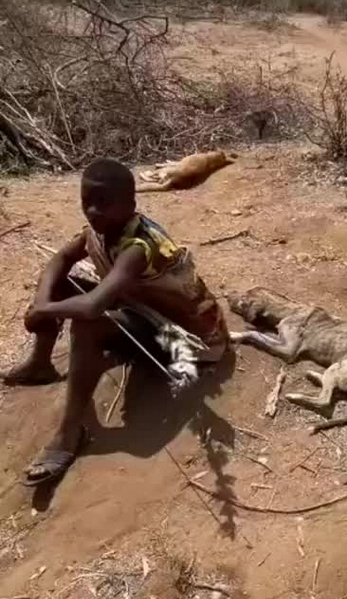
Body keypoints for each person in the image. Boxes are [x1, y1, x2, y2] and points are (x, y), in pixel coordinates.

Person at [0, 158, 229, 485]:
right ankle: (40, 365)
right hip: (145, 312)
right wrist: (42, 302)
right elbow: (60, 259)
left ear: (131, 204)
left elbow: (93, 307)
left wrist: (44, 312)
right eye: (86, 202)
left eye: (104, 203)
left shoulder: (138, 247)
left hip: (186, 340)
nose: (93, 211)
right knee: (62, 287)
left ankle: (68, 434)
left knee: (87, 323)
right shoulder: (100, 231)